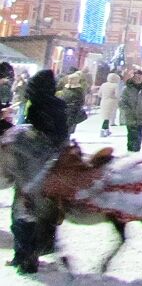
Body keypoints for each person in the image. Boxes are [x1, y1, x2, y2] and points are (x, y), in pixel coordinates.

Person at [11, 71, 67, 273]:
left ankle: (27, 259)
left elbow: (40, 132)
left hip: (35, 164)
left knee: (25, 211)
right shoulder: (57, 105)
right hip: (47, 164)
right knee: (34, 212)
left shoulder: (40, 105)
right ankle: (25, 255)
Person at [119, 68, 142, 152]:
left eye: (140, 76)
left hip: (141, 114)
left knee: (139, 132)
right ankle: (130, 149)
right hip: (130, 114)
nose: (138, 78)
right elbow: (122, 101)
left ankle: (137, 149)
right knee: (131, 132)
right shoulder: (127, 88)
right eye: (136, 76)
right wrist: (127, 110)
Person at [58, 71, 87, 136]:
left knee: (68, 126)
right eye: (69, 79)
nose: (70, 80)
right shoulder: (66, 87)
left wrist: (74, 106)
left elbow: (80, 101)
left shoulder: (79, 90)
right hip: (63, 109)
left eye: (72, 79)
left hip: (72, 110)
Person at [97, 73, 120, 137]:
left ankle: (106, 130)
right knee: (108, 118)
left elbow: (99, 94)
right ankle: (103, 130)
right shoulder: (115, 85)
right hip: (111, 102)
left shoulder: (103, 85)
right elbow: (117, 95)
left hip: (103, 101)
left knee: (105, 116)